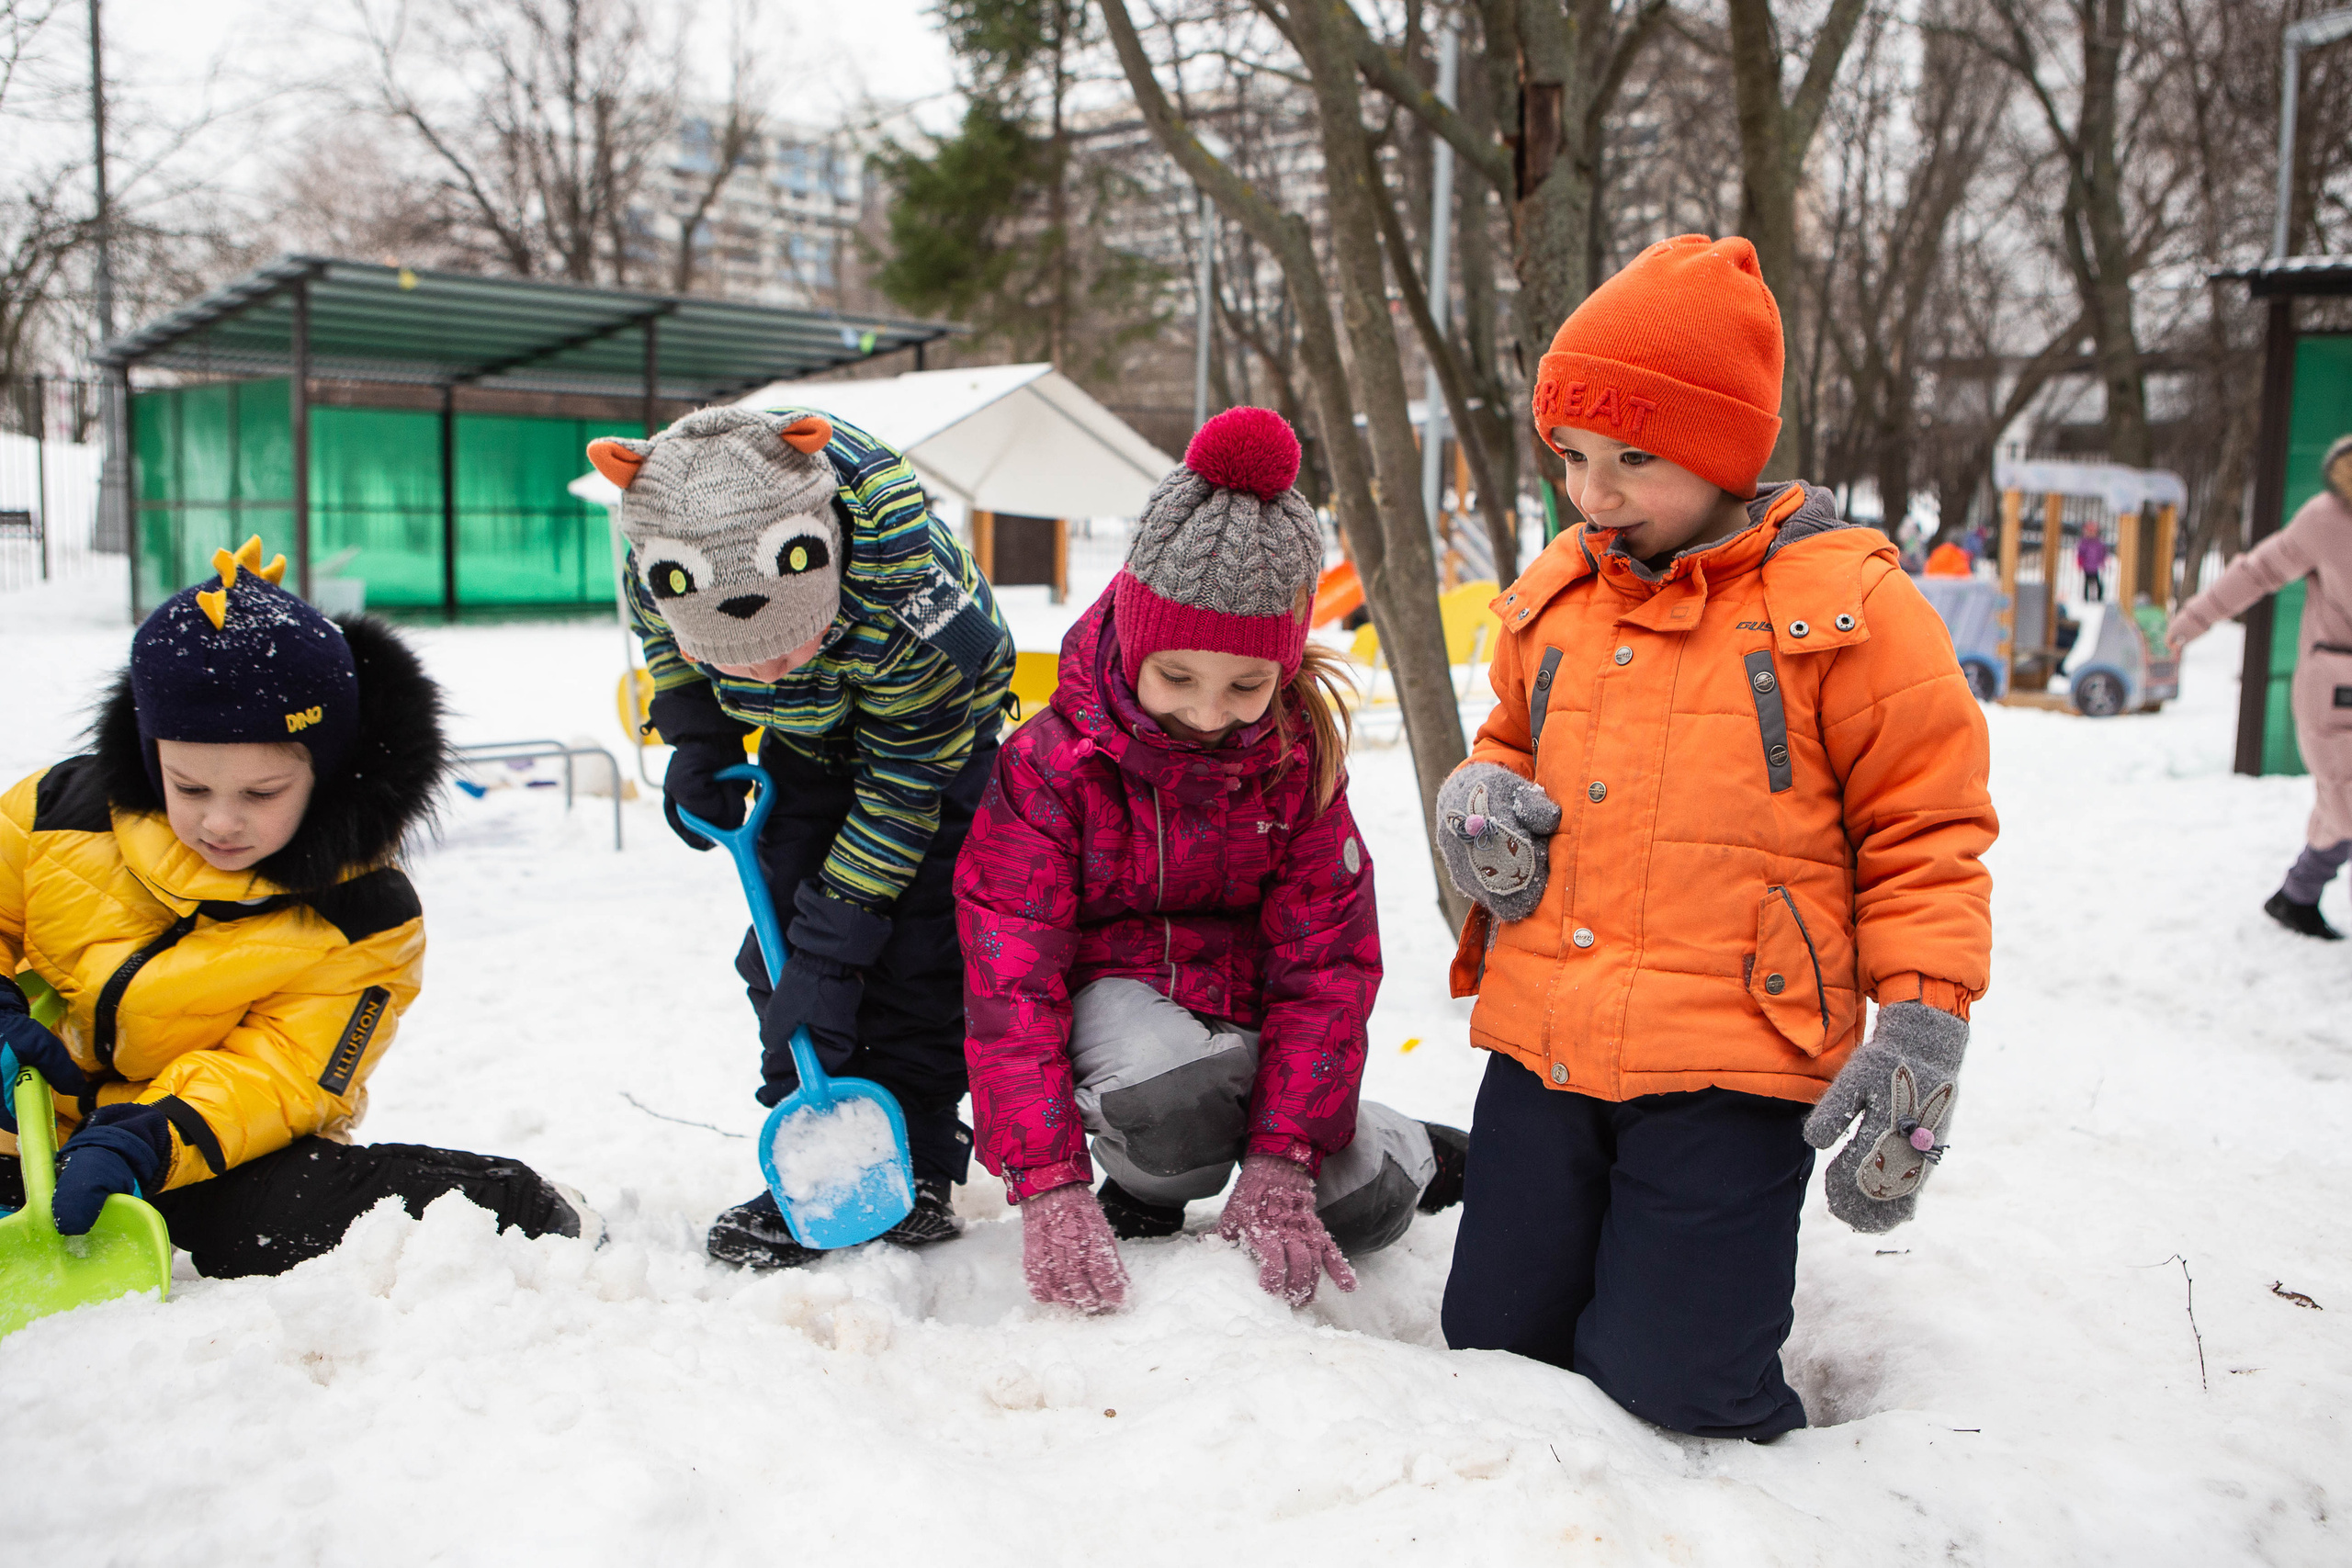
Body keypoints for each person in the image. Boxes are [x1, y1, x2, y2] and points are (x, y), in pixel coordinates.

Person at [1432, 235, 1997, 1440]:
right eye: (1575, 457)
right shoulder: (1559, 595)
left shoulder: (1847, 610)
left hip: (1735, 1052)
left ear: (1732, 454)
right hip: (1549, 1038)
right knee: (1494, 1347)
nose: (1596, 493)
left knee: (1675, 1385)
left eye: (1637, 457)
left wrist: (1922, 1019)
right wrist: (1481, 798)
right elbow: (1510, 744)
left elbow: (1926, 824)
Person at [955, 407, 1466, 1314]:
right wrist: (1049, 1185)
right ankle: (1150, 1178)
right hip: (1125, 1035)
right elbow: (1010, 980)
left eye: (1246, 686)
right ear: (1132, 642)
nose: (1206, 712)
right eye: (1177, 678)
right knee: (1166, 1098)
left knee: (1365, 1204)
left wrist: (1283, 1159)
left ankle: (1409, 1146)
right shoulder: (1049, 768)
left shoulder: (1297, 764)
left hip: (1256, 1034)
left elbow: (1325, 967)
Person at [0, 537, 585, 1278]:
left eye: (260, 793)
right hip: (23, 1127)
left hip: (202, 1140)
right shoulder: (60, 808)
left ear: (326, 767)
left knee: (275, 1223)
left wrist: (149, 1137)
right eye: (188, 787)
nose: (219, 822)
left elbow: (282, 1069)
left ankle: (514, 1206)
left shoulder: (363, 916)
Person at [590, 408, 1014, 1268]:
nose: (767, 672)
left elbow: (900, 799)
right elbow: (665, 646)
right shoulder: (660, 557)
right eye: (737, 664)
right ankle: (822, 1151)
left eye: (791, 644)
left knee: (911, 947)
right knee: (778, 951)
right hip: (809, 739)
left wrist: (839, 946)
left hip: (932, 749)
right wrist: (698, 734)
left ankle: (921, 1158)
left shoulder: (912, 611)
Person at [2168, 434, 2352, 940]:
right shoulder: (2326, 520)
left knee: (2339, 810)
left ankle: (2297, 896)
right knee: (2345, 801)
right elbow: (2258, 571)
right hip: (2336, 693)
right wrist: (2195, 619)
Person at [2077, 524, 2110, 600]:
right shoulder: (2084, 542)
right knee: (2087, 582)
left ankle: (2099, 597)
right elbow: (2081, 553)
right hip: (2087, 565)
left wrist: (2102, 561)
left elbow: (2102, 552)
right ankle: (2086, 597)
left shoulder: (2098, 543)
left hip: (2096, 566)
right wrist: (2080, 562)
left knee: (2097, 582)